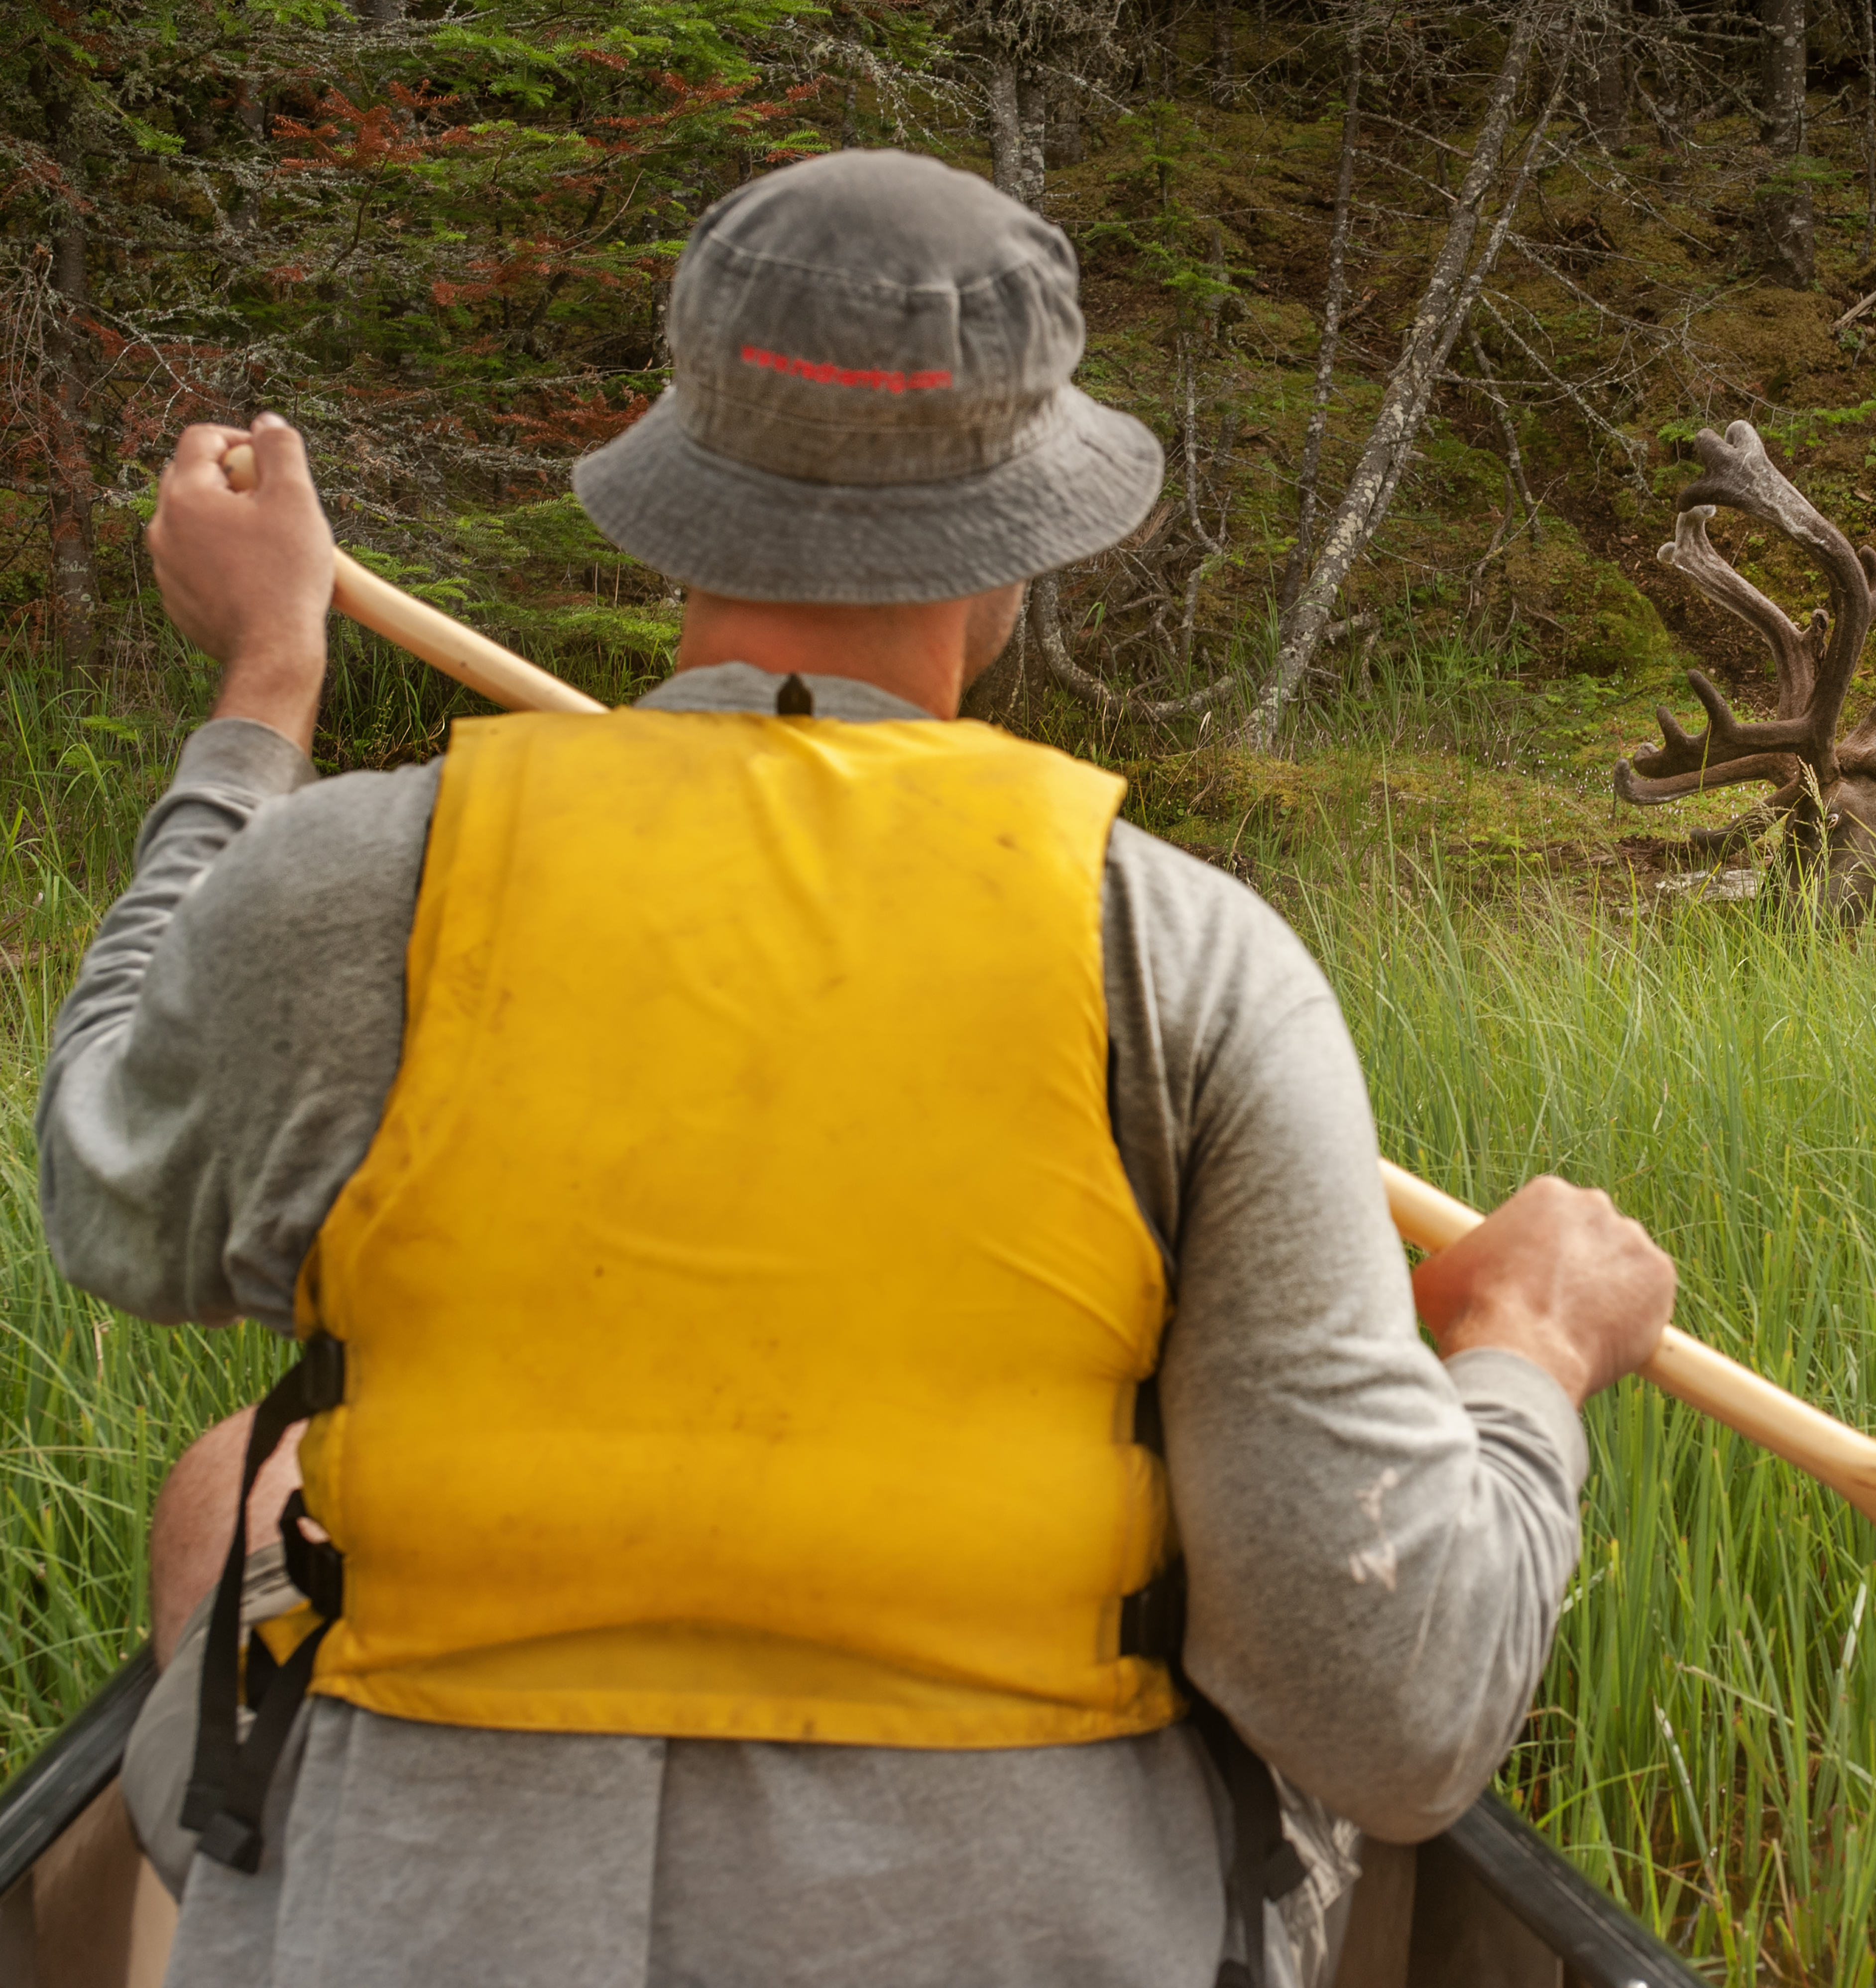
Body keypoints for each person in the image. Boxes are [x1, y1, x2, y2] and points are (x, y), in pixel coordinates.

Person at [36, 147, 1674, 1988]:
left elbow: (113, 1201)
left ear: (678, 487)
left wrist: (262, 692)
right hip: (1023, 1923)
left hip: (421, 1924)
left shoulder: (352, 882)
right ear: (1030, 543)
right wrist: (1526, 1356)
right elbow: (1391, 1712)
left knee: (231, 1493)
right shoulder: (1190, 960)